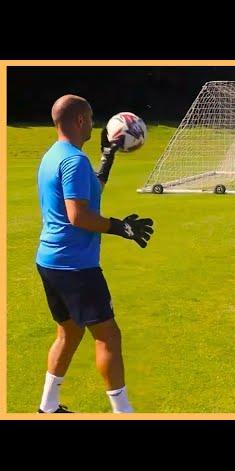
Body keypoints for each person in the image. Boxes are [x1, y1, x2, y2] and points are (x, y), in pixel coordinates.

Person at [36, 94, 154, 413]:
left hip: (50, 261)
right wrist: (121, 228)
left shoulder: (54, 155)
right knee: (108, 335)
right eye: (89, 118)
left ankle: (48, 406)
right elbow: (78, 216)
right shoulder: (73, 160)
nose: (92, 123)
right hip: (76, 266)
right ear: (79, 121)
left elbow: (91, 190)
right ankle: (123, 411)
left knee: (70, 331)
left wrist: (107, 158)